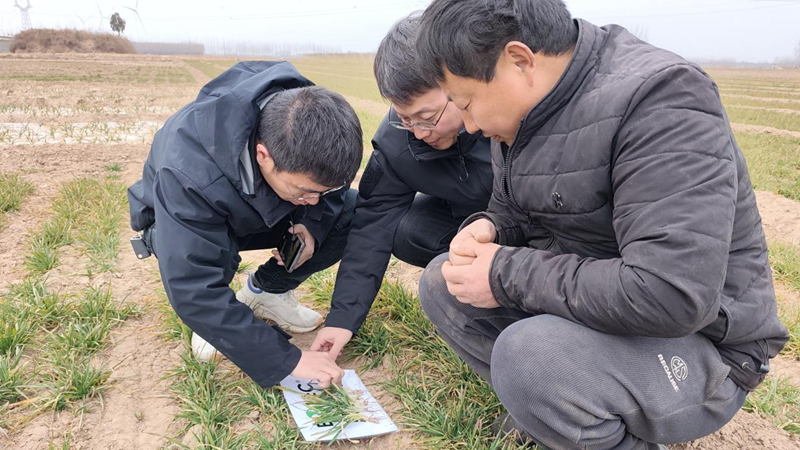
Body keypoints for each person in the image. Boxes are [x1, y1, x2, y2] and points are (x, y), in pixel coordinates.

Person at [413, 1, 789, 449]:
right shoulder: (523, 114)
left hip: (702, 346)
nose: (470, 125)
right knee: (443, 282)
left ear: (519, 61)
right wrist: (491, 229)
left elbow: (671, 296)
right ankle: (557, 415)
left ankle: (587, 416)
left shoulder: (663, 100)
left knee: (530, 358)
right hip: (604, 310)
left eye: (468, 103)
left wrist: (503, 274)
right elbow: (515, 211)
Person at [128, 61, 363, 388]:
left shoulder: (307, 112)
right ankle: (219, 328)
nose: (314, 199)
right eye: (305, 192)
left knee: (348, 210)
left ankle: (267, 292)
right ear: (263, 155)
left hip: (262, 201)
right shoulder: (187, 172)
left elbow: (323, 192)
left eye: (320, 192)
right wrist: (288, 360)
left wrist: (311, 221)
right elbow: (192, 286)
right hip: (184, 221)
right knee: (213, 253)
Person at [309, 14, 494, 357]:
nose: (419, 133)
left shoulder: (503, 117)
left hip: (533, 223)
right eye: (406, 120)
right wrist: (342, 320)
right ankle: (475, 293)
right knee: (405, 228)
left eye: (427, 119)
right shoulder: (397, 142)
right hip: (469, 221)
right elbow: (371, 226)